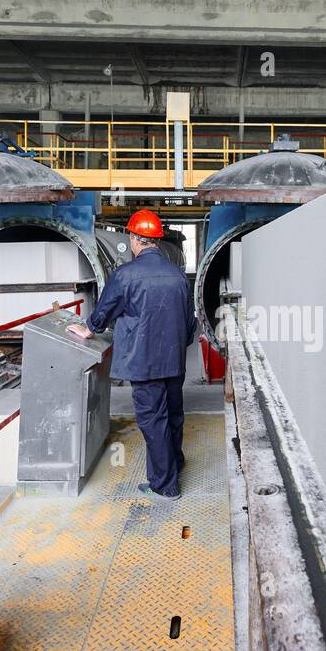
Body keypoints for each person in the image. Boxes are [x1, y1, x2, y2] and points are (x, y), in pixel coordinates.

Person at [67, 209, 194, 499]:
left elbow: (104, 311)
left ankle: (165, 485)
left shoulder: (126, 275)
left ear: (136, 240)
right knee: (173, 413)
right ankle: (176, 463)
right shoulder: (177, 275)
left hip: (144, 362)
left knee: (153, 420)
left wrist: (88, 328)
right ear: (157, 241)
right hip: (174, 361)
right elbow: (190, 324)